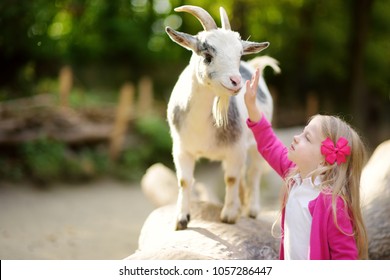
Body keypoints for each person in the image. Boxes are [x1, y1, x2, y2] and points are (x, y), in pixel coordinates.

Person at [244, 68, 368, 260]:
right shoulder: (295, 176)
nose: (296, 137)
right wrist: (252, 106)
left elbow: (346, 259)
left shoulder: (334, 207)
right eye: (302, 132)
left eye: (307, 138)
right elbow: (269, 143)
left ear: (324, 159)